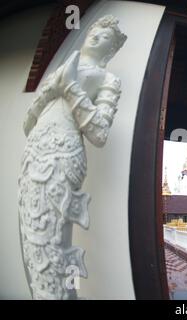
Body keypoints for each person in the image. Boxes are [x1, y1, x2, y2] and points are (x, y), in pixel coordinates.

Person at [18, 15, 127, 299]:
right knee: (31, 233)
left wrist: (71, 88)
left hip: (64, 154)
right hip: (34, 154)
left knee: (53, 238)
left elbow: (99, 133)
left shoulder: (108, 79)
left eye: (105, 37)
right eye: (94, 31)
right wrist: (52, 88)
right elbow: (28, 124)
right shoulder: (65, 69)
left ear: (112, 49)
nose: (95, 37)